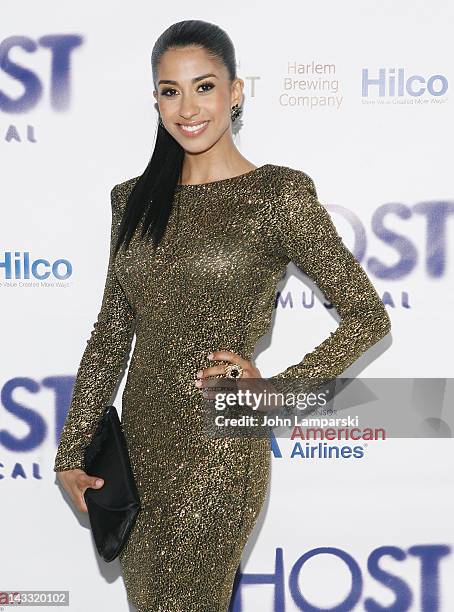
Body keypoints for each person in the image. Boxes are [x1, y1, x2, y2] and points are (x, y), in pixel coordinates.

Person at [53, 19, 391, 612]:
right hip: (138, 452)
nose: (188, 107)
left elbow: (368, 316)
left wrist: (278, 390)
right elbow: (112, 331)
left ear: (236, 93)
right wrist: (72, 450)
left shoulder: (276, 194)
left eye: (204, 87)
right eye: (169, 90)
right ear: (155, 99)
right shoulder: (131, 200)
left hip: (220, 451)